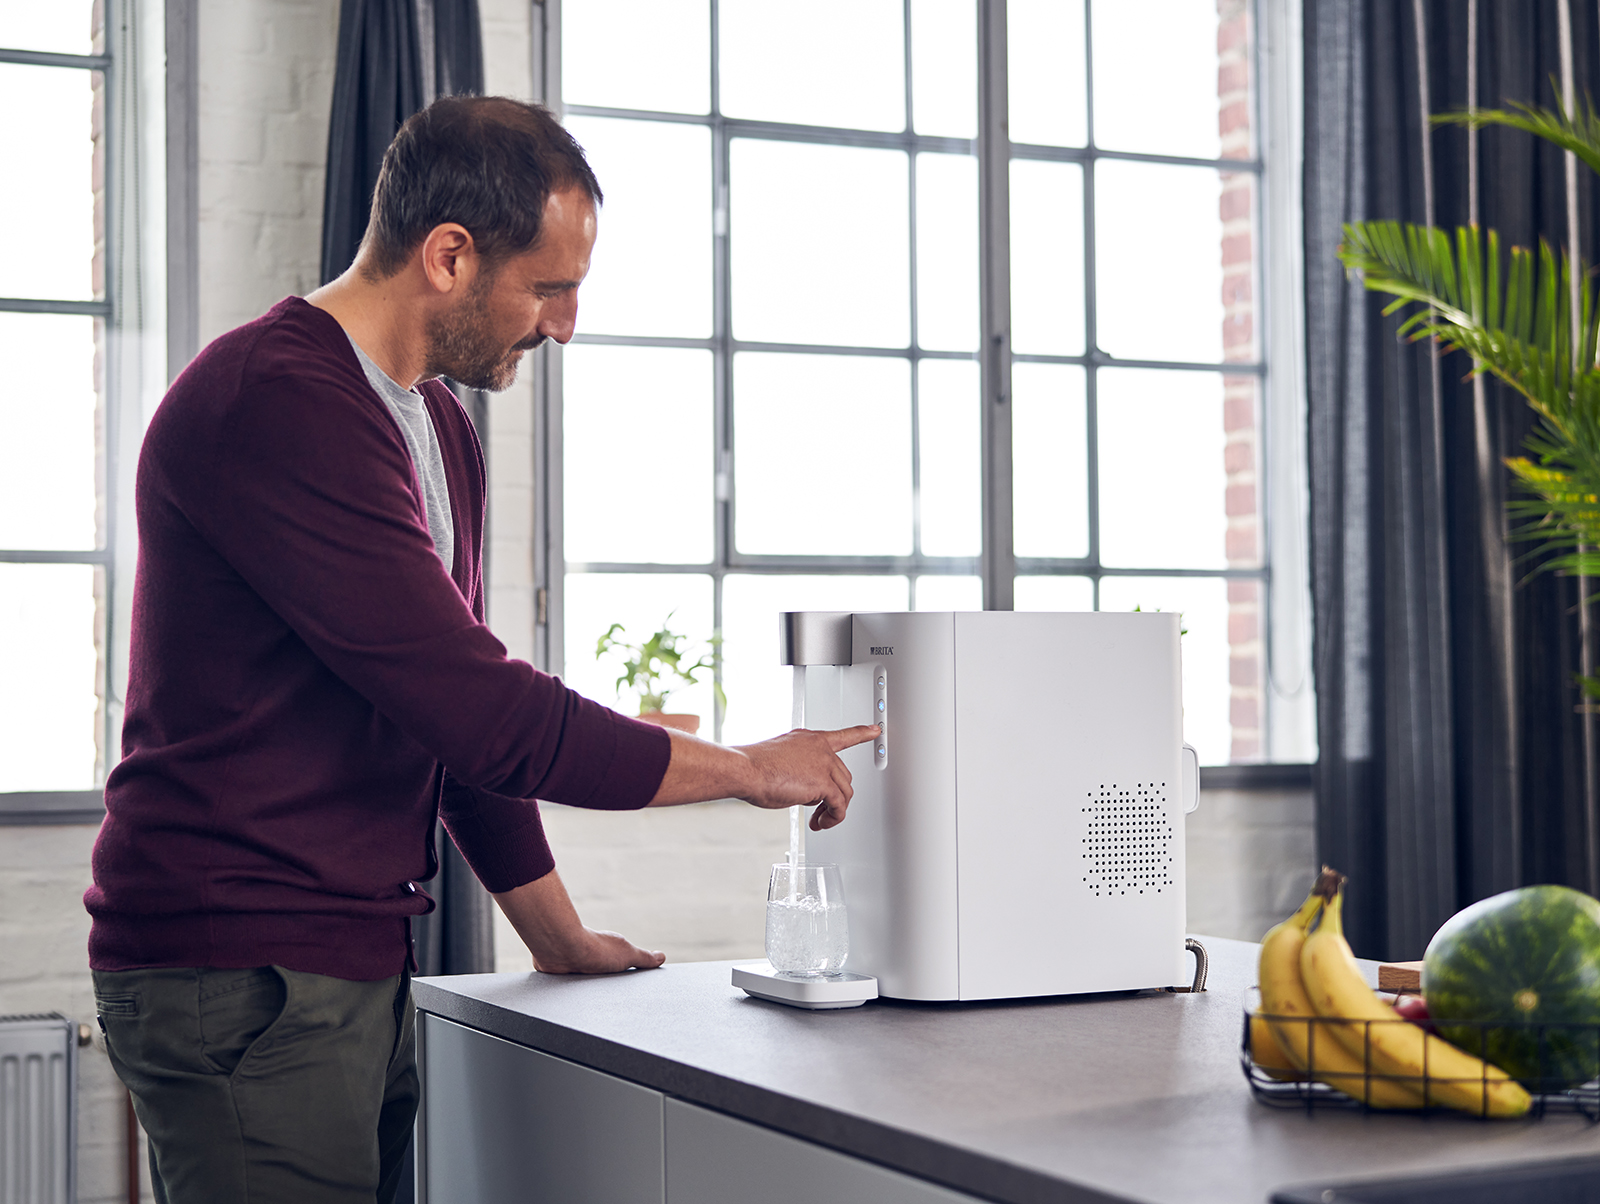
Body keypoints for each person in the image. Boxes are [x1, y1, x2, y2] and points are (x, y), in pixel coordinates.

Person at [84, 95, 878, 1204]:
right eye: (550, 287)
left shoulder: (435, 425)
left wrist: (554, 938)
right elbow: (485, 709)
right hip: (244, 964)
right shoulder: (278, 401)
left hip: (343, 959)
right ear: (450, 256)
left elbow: (449, 725)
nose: (565, 324)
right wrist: (747, 768)